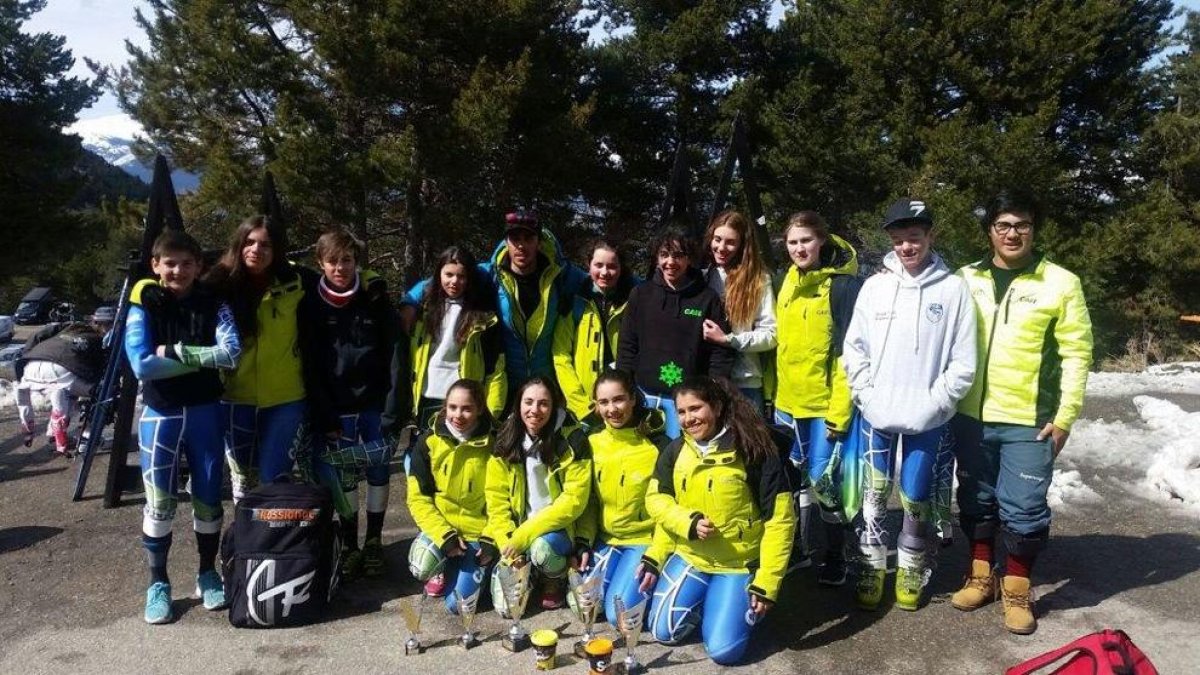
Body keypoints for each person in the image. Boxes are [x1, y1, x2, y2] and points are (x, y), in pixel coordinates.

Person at [950, 192, 1093, 635]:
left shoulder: (1060, 283)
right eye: (1003, 225)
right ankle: (981, 576)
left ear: (1034, 229)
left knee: (1025, 508)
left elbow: (1077, 353)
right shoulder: (964, 279)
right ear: (989, 230)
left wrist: (1066, 416)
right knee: (975, 500)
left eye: (1022, 225)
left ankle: (1016, 588)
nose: (1012, 234)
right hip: (970, 415)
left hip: (1029, 419)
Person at [842, 198, 977, 611]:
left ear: (930, 236)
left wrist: (938, 402)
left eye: (914, 237)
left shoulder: (953, 289)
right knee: (874, 492)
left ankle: (912, 564)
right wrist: (865, 394)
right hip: (877, 413)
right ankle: (871, 563)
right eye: (898, 239)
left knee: (916, 493)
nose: (906, 247)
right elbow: (854, 348)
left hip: (928, 417)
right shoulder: (875, 287)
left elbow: (964, 361)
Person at [123, 230, 242, 624]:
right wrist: (202, 360)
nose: (178, 271)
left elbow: (231, 354)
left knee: (208, 498)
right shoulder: (144, 303)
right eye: (170, 263)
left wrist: (173, 352)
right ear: (155, 266)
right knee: (159, 504)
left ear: (199, 266)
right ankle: (158, 582)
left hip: (206, 413)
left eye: (186, 263)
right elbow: (142, 365)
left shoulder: (213, 302)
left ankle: (207, 573)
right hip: (161, 415)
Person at [644, 376, 795, 666]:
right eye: (681, 411)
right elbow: (657, 501)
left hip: (738, 564)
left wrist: (767, 583)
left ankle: (735, 604)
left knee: (724, 651)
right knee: (664, 633)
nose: (688, 419)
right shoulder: (675, 450)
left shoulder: (754, 450)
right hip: (692, 557)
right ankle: (709, 602)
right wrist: (669, 540)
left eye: (695, 408)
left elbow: (780, 522)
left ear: (715, 406)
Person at [769, 211, 862, 583]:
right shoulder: (784, 281)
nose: (799, 248)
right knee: (789, 483)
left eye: (806, 240)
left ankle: (836, 555)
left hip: (823, 408)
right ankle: (797, 549)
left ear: (822, 240)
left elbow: (847, 356)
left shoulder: (842, 287)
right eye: (792, 242)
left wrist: (839, 412)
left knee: (826, 485)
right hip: (786, 406)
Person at [403, 211, 588, 395]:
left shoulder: (560, 275)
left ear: (539, 242)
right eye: (515, 239)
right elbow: (437, 281)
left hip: (545, 385)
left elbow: (594, 282)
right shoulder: (490, 274)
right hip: (505, 384)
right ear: (506, 242)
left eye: (528, 238)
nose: (521, 245)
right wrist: (409, 303)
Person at [307, 229, 403, 580]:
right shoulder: (312, 303)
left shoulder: (375, 298)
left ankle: (374, 540)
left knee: (378, 473)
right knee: (344, 478)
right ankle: (350, 544)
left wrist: (394, 408)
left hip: (374, 406)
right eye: (332, 261)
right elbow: (311, 366)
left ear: (357, 261)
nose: (340, 268)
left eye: (347, 260)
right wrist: (324, 413)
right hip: (337, 409)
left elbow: (396, 353)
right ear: (320, 263)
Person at [206, 215, 319, 501]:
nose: (256, 250)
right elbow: (174, 285)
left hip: (286, 398)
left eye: (266, 245)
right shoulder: (217, 284)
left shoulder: (297, 280)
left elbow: (342, 278)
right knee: (243, 482)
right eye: (250, 242)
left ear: (277, 249)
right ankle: (243, 531)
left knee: (274, 480)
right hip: (235, 398)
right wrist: (143, 289)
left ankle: (268, 532)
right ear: (239, 244)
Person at [483, 376, 592, 611]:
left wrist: (523, 535)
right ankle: (529, 571)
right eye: (528, 402)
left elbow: (574, 501)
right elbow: (496, 500)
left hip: (557, 531)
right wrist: (507, 543)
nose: (535, 410)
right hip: (517, 531)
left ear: (554, 407)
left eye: (543, 403)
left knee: (542, 550)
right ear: (518, 404)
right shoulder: (505, 437)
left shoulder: (573, 439)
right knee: (506, 610)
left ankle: (554, 578)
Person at [572, 369, 670, 626]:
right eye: (603, 402)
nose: (612, 409)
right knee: (584, 606)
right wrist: (583, 539)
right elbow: (590, 501)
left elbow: (668, 507)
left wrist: (656, 555)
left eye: (618, 400)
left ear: (633, 399)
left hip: (643, 541)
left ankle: (659, 581)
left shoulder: (658, 446)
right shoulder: (592, 442)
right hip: (606, 539)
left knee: (619, 617)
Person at [617, 226, 735, 438]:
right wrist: (624, 388)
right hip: (643, 396)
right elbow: (627, 345)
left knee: (680, 457)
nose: (670, 262)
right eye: (664, 254)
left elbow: (719, 353)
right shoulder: (640, 294)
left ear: (689, 258)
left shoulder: (707, 299)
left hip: (686, 405)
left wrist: (713, 392)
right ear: (656, 257)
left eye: (678, 255)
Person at [406, 379, 498, 610]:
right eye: (453, 407)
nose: (458, 415)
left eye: (467, 408)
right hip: (444, 529)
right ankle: (445, 565)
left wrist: (490, 539)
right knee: (420, 566)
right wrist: (444, 536)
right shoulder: (427, 442)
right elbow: (418, 499)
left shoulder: (496, 444)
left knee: (457, 606)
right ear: (445, 406)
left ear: (480, 409)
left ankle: (487, 568)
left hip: (478, 534)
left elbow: (504, 501)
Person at [409, 246, 506, 427]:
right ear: (438, 274)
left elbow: (496, 369)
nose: (454, 281)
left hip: (464, 402)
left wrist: (492, 413)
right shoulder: (423, 309)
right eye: (449, 275)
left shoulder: (484, 317)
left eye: (461, 276)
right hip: (426, 397)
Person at [552, 240, 637, 424]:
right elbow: (561, 356)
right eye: (598, 265)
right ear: (588, 264)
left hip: (624, 403)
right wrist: (581, 405)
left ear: (621, 268)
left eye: (612, 266)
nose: (604, 272)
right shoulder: (574, 300)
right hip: (585, 404)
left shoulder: (634, 301)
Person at [700, 211, 777, 413]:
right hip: (705, 378)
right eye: (717, 239)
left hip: (744, 383)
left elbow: (771, 335)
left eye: (730, 242)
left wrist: (729, 340)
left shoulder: (758, 280)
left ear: (743, 245)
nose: (721, 248)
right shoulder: (703, 276)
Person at [14, 319, 106, 454]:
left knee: (62, 391)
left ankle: (41, 432)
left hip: (31, 365)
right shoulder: (98, 340)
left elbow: (36, 335)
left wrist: (27, 355)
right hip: (62, 369)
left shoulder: (69, 327)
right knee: (101, 393)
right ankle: (85, 436)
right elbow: (99, 369)